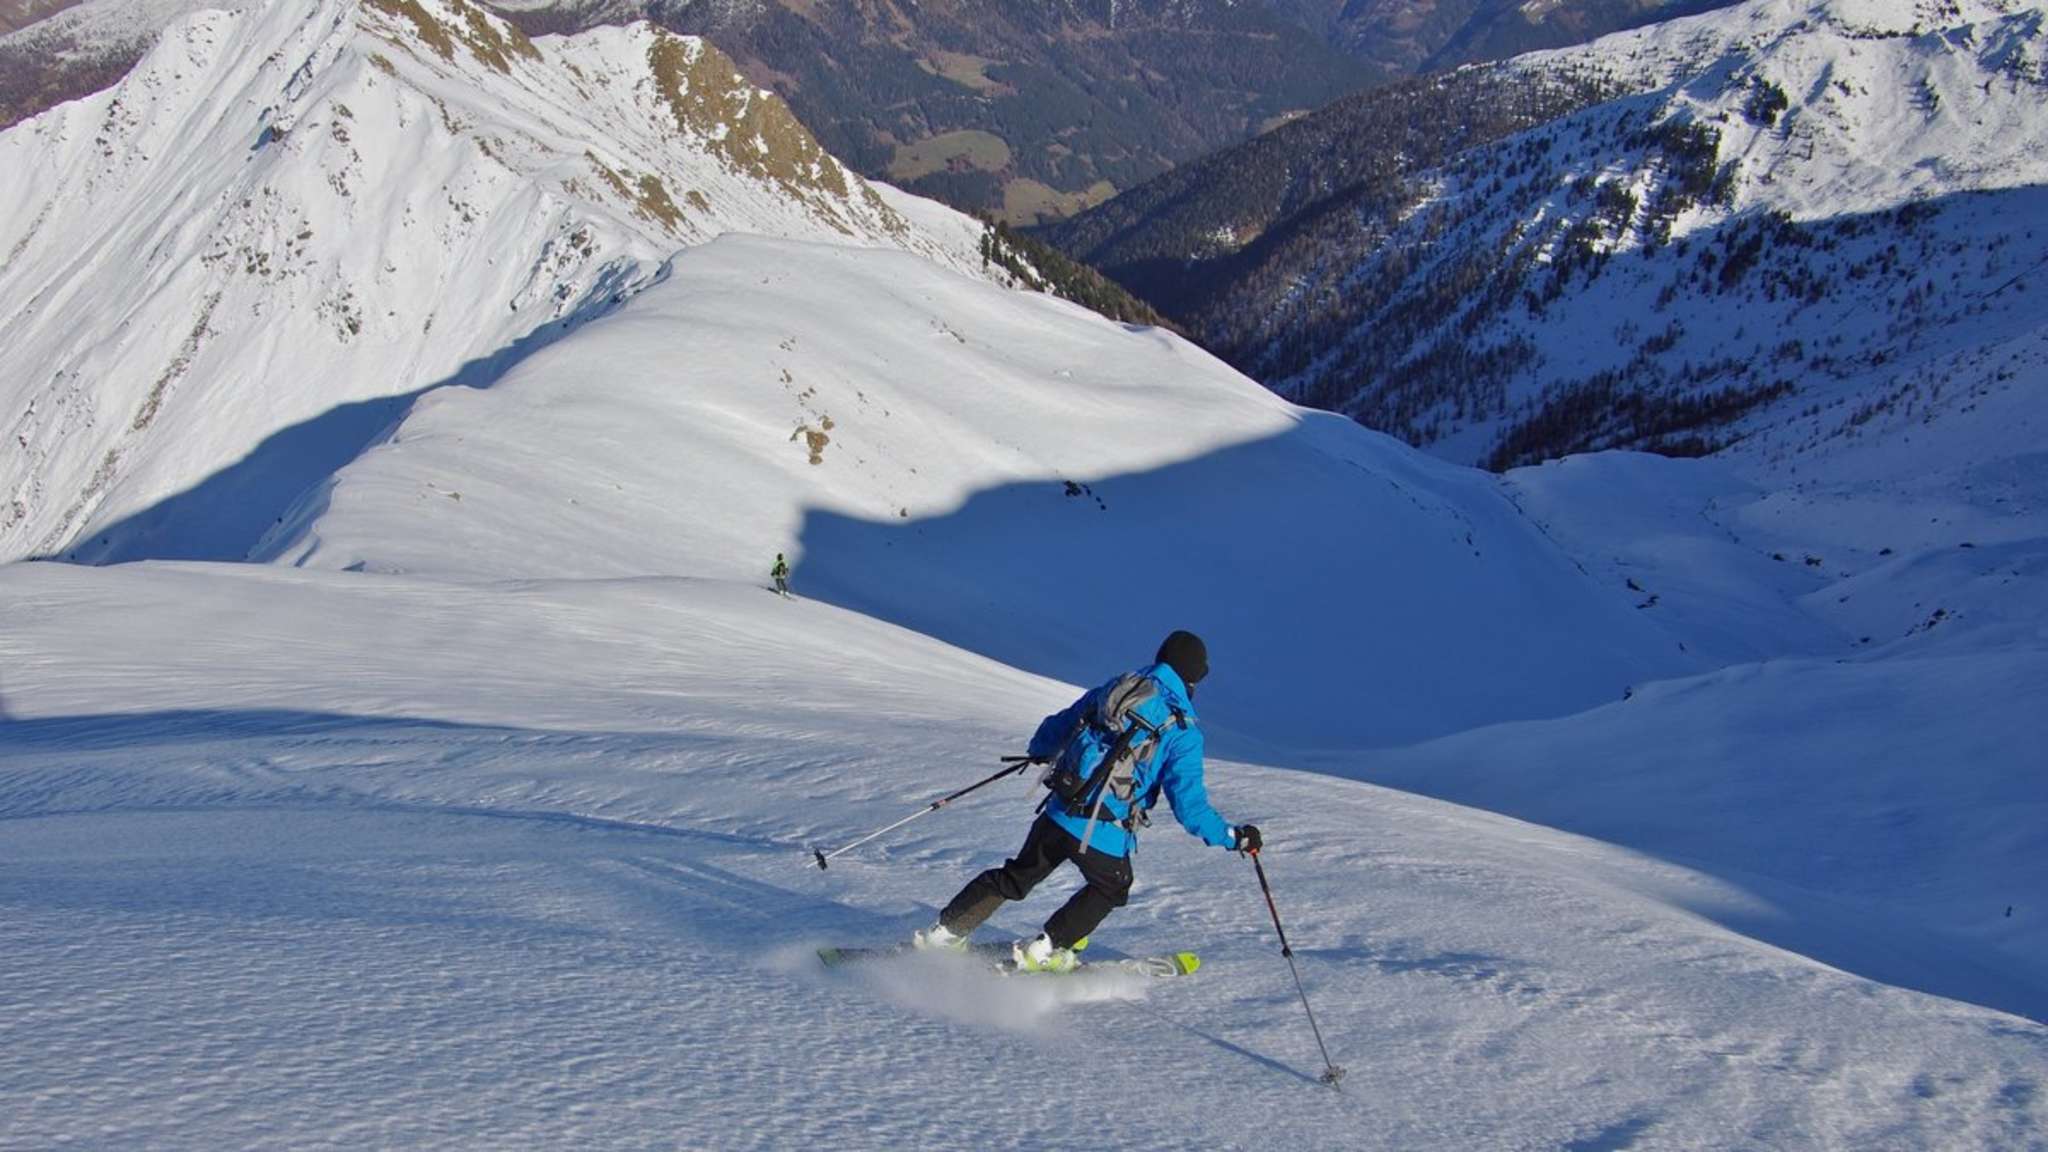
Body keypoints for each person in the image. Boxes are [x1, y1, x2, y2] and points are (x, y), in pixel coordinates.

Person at [913, 630, 1260, 972]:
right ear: (1194, 678)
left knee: (1018, 875)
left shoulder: (1118, 688)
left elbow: (1062, 724)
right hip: (1103, 828)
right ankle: (1046, 948)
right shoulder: (1182, 732)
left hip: (1060, 809)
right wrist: (1233, 837)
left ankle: (945, 933)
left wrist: (1039, 752)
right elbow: (1190, 809)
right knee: (1112, 887)